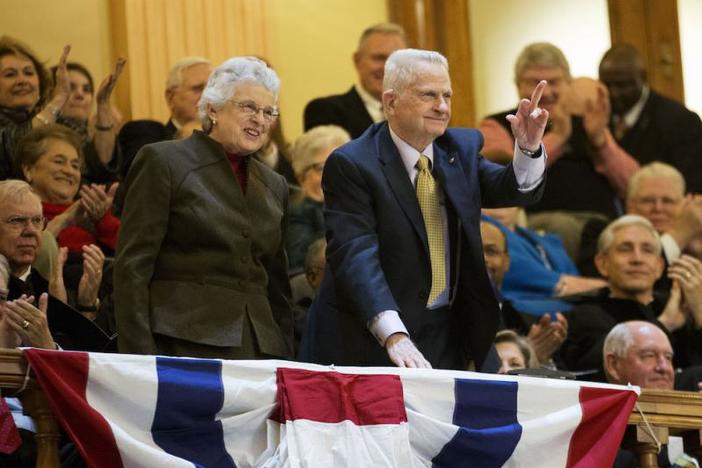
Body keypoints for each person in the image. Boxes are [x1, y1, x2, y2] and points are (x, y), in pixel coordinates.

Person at [300, 48, 548, 371]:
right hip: (368, 337)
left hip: (444, 331)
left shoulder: (458, 149)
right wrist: (392, 334)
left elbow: (513, 189)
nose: (442, 106)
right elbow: (355, 253)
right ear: (391, 103)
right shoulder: (353, 164)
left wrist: (527, 149)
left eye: (447, 95)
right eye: (428, 95)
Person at [114, 57, 293, 360]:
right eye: (248, 107)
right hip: (182, 342)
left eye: (267, 112)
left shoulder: (276, 185)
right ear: (212, 109)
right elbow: (133, 268)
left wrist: (286, 357)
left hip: (260, 350)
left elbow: (277, 286)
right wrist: (140, 360)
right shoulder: (163, 161)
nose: (259, 120)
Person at [480, 42, 639, 220]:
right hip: (535, 230)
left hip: (600, 228)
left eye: (554, 82)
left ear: (568, 85)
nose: (546, 92)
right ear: (518, 86)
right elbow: (504, 182)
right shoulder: (498, 124)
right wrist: (558, 138)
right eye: (535, 83)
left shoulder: (589, 122)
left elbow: (635, 187)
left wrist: (600, 140)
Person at [560, 215, 702, 376]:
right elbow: (596, 368)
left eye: (647, 250)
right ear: (602, 263)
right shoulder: (586, 315)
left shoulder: (680, 306)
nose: (637, 259)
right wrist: (665, 324)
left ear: (659, 267)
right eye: (625, 249)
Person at [599, 43, 702, 193]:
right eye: (607, 84)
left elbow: (692, 186)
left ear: (643, 77)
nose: (614, 93)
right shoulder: (596, 117)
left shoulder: (680, 122)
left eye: (623, 85)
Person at [604, 321, 699, 468]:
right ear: (613, 365)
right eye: (649, 356)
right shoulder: (596, 432)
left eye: (668, 358)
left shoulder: (690, 429)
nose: (663, 367)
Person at [482, 207, 606, 315]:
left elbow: (576, 289)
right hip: (521, 313)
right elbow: (561, 284)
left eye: (507, 191)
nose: (502, 200)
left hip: (573, 312)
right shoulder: (475, 229)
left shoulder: (548, 241)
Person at [480, 219, 568, 367]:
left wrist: (536, 359)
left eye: (491, 251)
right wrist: (527, 353)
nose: (482, 258)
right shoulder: (443, 318)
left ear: (506, 261)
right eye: (474, 250)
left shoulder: (526, 321)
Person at [303, 23, 406, 138]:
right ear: (357, 60)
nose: (388, 67)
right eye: (379, 58)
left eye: (396, 60)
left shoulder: (417, 114)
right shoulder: (326, 111)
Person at [0, 37, 70, 180]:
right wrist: (58, 100)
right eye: (10, 74)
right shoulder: (51, 113)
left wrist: (103, 106)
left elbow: (89, 165)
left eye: (28, 73)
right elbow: (15, 148)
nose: (22, 80)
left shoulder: (57, 122)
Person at [50, 59, 126, 184]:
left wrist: (103, 103)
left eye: (87, 89)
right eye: (70, 87)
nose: (80, 94)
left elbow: (105, 172)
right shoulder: (40, 130)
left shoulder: (94, 137)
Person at [287, 125, 350, 271]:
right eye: (322, 168)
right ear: (301, 176)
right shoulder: (297, 211)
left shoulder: (362, 201)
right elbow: (301, 261)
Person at [164, 57, 212, 139]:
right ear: (171, 98)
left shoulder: (230, 142)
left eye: (211, 88)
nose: (208, 96)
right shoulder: (154, 146)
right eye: (197, 88)